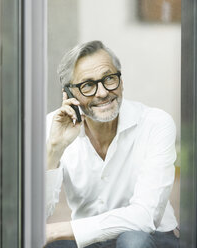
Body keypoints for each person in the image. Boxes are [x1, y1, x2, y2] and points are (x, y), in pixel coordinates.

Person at [45, 40, 179, 248]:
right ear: (69, 94)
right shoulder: (54, 126)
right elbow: (35, 217)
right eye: (87, 85)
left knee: (134, 241)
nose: (102, 93)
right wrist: (54, 150)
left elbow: (145, 215)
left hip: (149, 237)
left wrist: (58, 230)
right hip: (88, 241)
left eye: (109, 78)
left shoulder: (156, 123)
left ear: (121, 80)